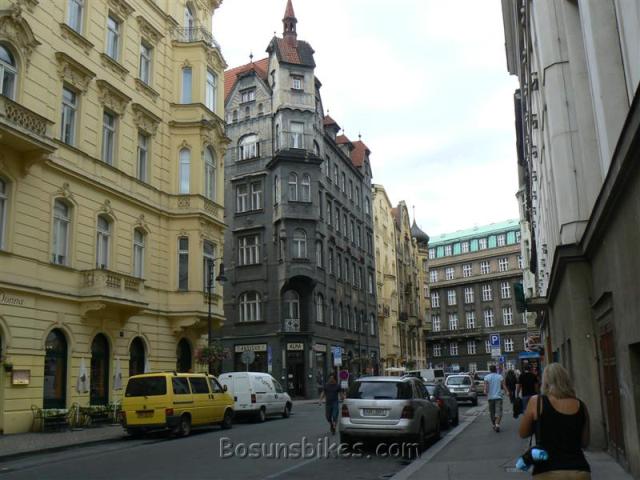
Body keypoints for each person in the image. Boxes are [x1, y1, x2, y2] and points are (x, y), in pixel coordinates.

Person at [518, 363, 591, 478]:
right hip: (579, 470)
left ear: (545, 382)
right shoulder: (581, 405)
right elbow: (585, 442)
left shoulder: (537, 402)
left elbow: (523, 433)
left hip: (547, 471)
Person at [484, 364, 507, 432]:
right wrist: (507, 392)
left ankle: (495, 424)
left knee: (492, 412)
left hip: (490, 397)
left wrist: (485, 391)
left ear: (490, 370)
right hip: (498, 397)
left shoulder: (486, 377)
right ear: (496, 370)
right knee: (499, 411)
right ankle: (497, 424)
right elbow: (504, 385)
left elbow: (486, 387)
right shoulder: (500, 376)